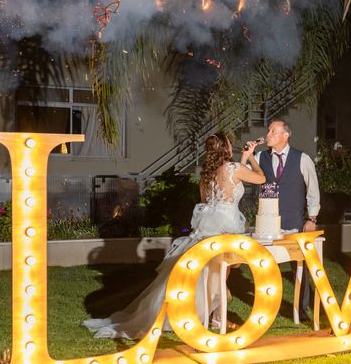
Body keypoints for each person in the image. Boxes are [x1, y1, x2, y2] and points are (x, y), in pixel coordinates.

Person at [83, 132, 266, 339]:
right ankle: (217, 317)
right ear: (225, 148)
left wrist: (243, 159)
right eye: (230, 144)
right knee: (219, 273)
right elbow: (261, 178)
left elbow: (217, 196)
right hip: (226, 226)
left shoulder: (206, 177)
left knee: (210, 273)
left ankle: (215, 315)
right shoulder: (233, 169)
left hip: (209, 226)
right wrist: (251, 156)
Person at [254, 118, 320, 321]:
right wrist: (248, 154)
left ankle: (302, 310)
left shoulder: (302, 159)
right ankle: (265, 309)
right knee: (264, 267)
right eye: (268, 131)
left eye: (273, 131)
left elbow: (313, 190)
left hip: (295, 221)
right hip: (267, 224)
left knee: (301, 268)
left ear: (285, 135)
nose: (268, 135)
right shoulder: (260, 156)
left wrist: (312, 218)